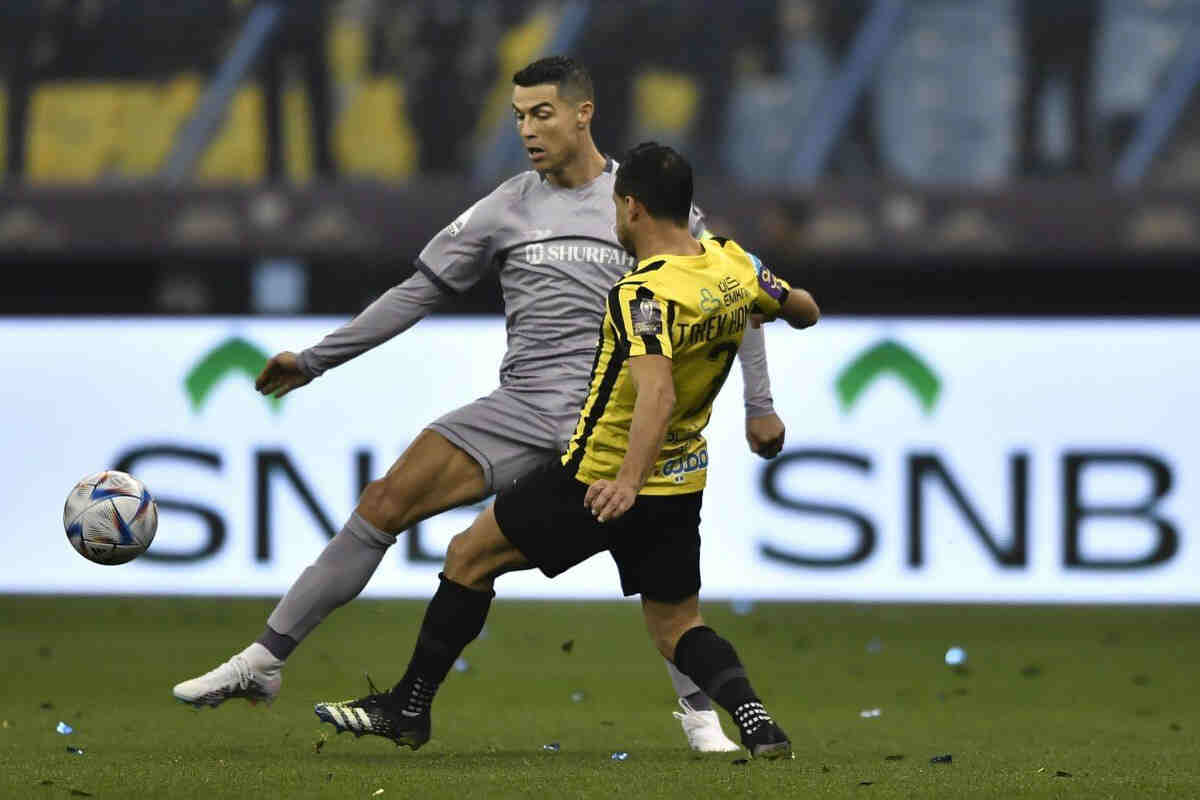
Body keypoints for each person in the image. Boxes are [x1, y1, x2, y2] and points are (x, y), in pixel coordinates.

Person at [173, 56, 787, 753]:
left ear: (583, 113)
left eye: (542, 113)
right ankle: (264, 662)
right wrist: (317, 360)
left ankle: (703, 720)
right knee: (384, 502)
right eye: (519, 116)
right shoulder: (506, 207)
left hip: (607, 423)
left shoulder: (640, 201)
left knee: (665, 599)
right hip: (519, 409)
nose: (527, 129)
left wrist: (757, 405)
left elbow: (737, 299)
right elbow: (418, 292)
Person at [312, 142, 820, 759]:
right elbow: (802, 309)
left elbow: (655, 394)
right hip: (681, 482)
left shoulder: (643, 293)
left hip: (598, 478)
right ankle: (756, 718)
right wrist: (769, 299)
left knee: (468, 556)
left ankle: (408, 708)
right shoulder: (730, 264)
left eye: (615, 205)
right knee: (678, 627)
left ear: (631, 207)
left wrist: (625, 480)